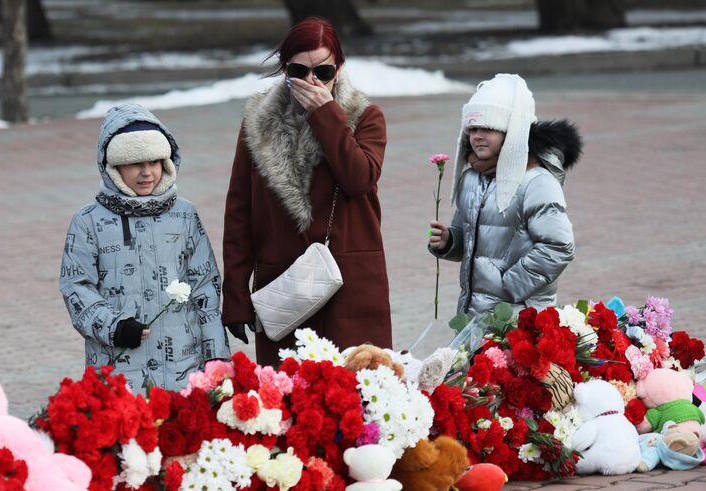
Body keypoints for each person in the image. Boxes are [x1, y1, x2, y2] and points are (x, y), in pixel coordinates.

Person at [222, 17, 392, 366]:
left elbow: (358, 179)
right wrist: (236, 294)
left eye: (324, 71)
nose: (312, 81)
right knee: (289, 404)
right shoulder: (259, 123)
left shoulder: (365, 117)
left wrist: (326, 114)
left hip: (350, 288)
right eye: (300, 71)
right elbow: (239, 210)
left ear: (339, 68)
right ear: (286, 70)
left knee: (357, 398)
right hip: (285, 290)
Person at [59, 102, 230, 393]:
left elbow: (205, 287)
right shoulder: (88, 221)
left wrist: (217, 357)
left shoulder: (184, 215)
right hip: (118, 369)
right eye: (136, 163)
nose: (146, 172)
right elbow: (77, 286)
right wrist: (115, 327)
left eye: (154, 162)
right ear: (114, 167)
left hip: (183, 368)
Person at [428, 73, 582, 317]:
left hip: (519, 317)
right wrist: (449, 240)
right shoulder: (471, 178)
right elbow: (471, 240)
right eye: (473, 128)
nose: (477, 135)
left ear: (512, 132)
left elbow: (559, 246)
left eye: (488, 128)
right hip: (473, 313)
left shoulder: (536, 181)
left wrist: (509, 285)